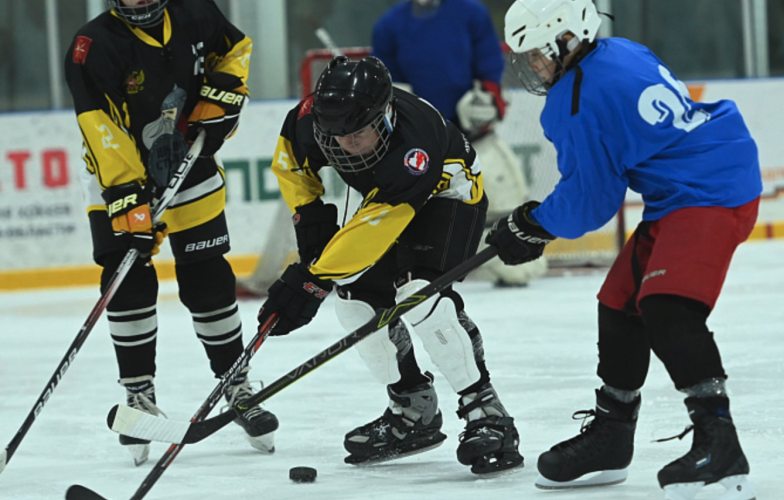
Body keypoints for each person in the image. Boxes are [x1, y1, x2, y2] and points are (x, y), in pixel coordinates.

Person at [488, 0, 760, 498]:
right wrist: (535, 223)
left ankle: (719, 443)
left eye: (537, 53)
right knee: (619, 303)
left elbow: (591, 203)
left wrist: (531, 224)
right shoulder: (616, 51)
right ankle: (613, 435)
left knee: (667, 307)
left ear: (568, 38)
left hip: (708, 192)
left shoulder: (577, 97)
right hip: (693, 184)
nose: (531, 65)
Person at [257, 55, 523, 475]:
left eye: (358, 134)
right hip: (382, 202)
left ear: (384, 115)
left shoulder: (414, 144)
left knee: (418, 296)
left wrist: (311, 280)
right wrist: (310, 224)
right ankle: (411, 408)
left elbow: (379, 228)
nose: (348, 145)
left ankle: (486, 413)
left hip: (447, 199)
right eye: (337, 136)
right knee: (353, 300)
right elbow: (292, 165)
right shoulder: (310, 119)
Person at [64, 0, 278, 465]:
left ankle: (234, 383)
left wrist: (223, 90)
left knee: (208, 278)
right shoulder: (92, 46)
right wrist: (126, 198)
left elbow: (235, 48)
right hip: (114, 175)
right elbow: (100, 126)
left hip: (188, 160)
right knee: (128, 280)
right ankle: (138, 396)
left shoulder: (196, 13)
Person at [372, 0, 547, 287]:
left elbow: (490, 66)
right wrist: (395, 101)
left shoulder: (470, 12)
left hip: (474, 138)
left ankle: (503, 262)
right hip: (419, 148)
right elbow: (387, 80)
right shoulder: (389, 25)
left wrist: (489, 98)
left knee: (516, 254)